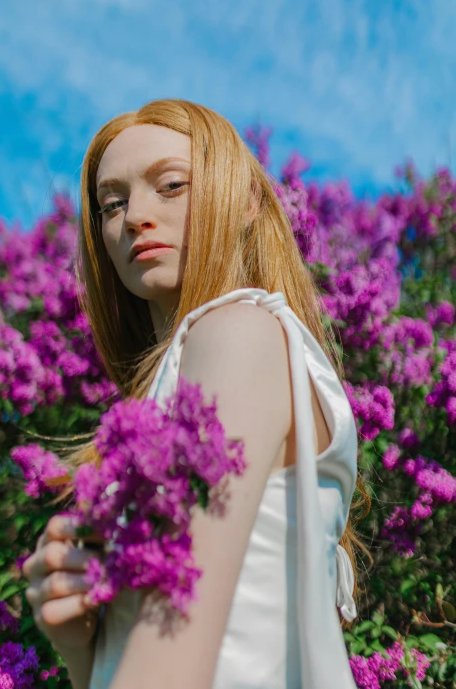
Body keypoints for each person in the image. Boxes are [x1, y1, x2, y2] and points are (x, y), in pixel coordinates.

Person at [22, 99, 373, 689]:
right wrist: (80, 645)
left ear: (245, 203)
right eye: (111, 203)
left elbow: (175, 644)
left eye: (171, 185)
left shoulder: (236, 332)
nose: (135, 215)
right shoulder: (199, 364)